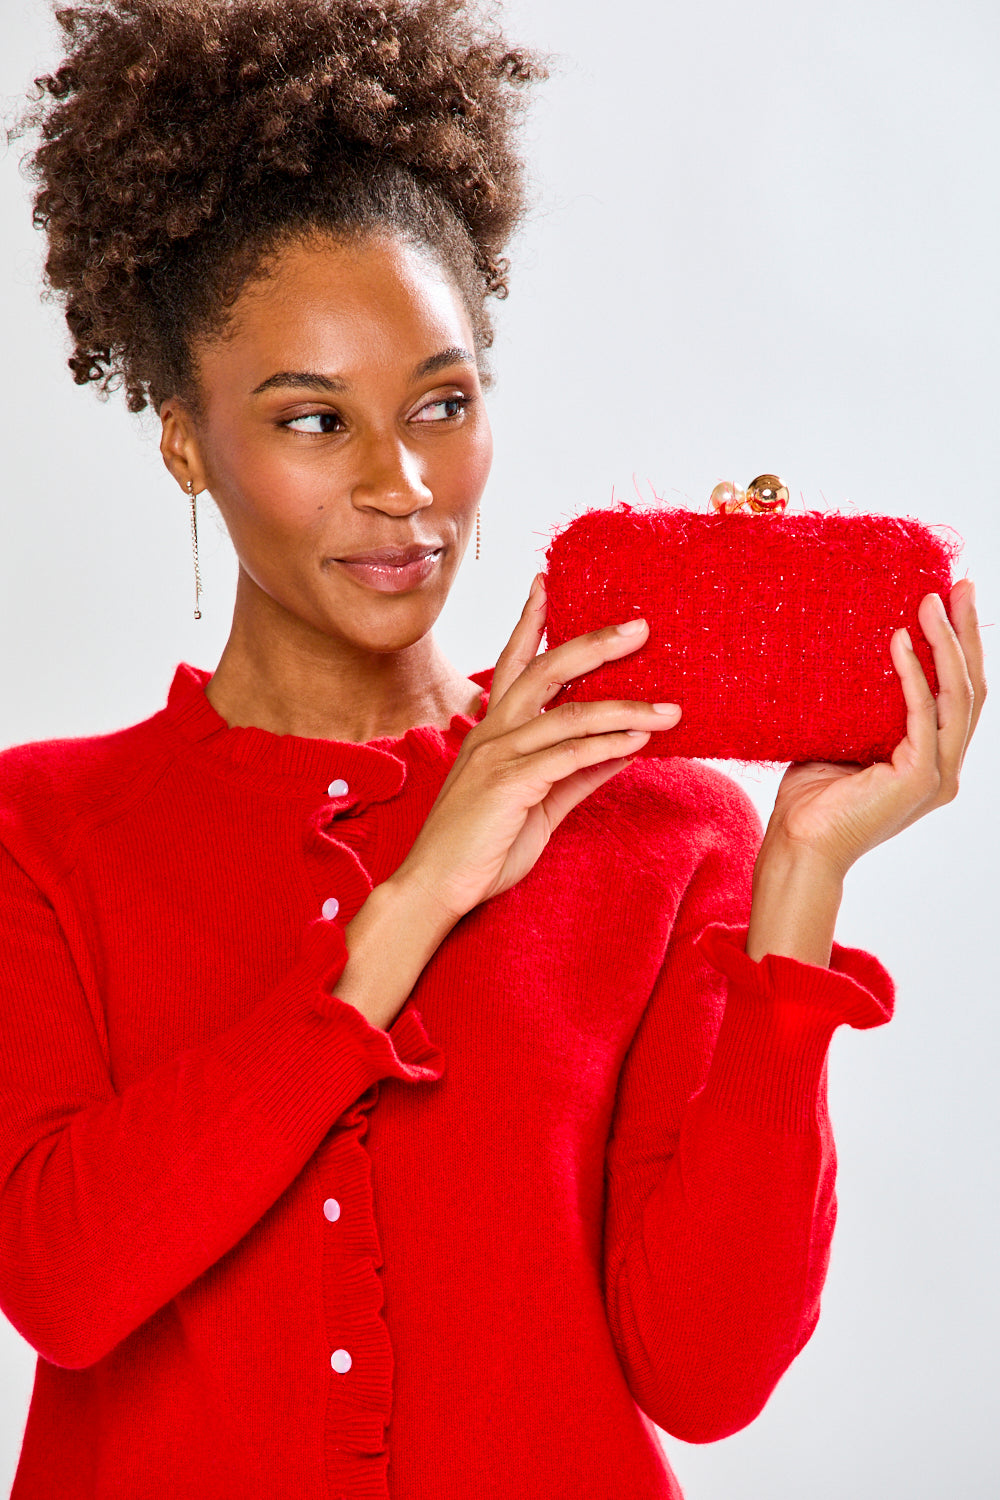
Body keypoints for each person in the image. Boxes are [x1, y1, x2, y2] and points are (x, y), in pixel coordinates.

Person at [0, 2, 985, 1497]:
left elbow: (706, 1378)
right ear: (186, 439)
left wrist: (797, 882)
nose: (404, 487)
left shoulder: (661, 830)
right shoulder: (43, 829)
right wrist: (406, 917)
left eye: (441, 405)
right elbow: (64, 1285)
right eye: (313, 420)